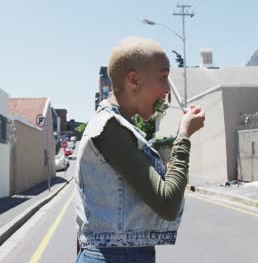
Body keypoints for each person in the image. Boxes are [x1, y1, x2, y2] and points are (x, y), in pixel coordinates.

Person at [74, 37, 206, 263]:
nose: (167, 90)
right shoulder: (111, 129)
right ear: (133, 80)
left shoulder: (113, 126)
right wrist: (183, 136)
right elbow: (167, 204)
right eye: (163, 77)